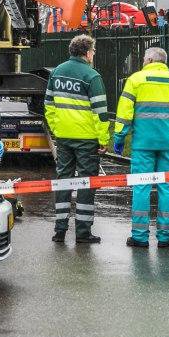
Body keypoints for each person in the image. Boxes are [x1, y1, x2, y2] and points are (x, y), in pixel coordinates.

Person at [112, 47, 169, 249]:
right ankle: (165, 237)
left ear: (150, 59)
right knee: (167, 187)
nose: (142, 61)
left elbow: (124, 113)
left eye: (143, 59)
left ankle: (140, 237)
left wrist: (119, 138)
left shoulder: (135, 80)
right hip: (168, 145)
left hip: (143, 145)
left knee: (141, 187)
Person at [44, 34, 108, 244]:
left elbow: (49, 106)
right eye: (93, 51)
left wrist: (57, 128)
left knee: (64, 181)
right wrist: (103, 138)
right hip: (87, 139)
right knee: (86, 183)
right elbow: (100, 113)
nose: (93, 55)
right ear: (87, 52)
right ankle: (82, 231)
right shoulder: (92, 76)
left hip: (63, 137)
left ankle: (60, 230)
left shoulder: (57, 72)